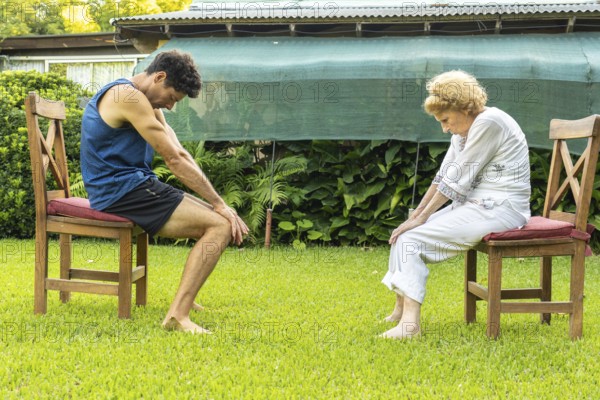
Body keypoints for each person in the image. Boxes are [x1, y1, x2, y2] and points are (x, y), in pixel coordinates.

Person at [81, 49, 249, 334]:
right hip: (119, 191)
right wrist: (221, 205)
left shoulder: (147, 102)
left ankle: (186, 299)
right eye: (172, 97)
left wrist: (217, 204)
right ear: (159, 77)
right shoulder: (127, 97)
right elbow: (172, 160)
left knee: (214, 217)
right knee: (220, 226)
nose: (171, 106)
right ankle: (177, 317)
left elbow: (180, 152)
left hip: (131, 185)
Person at [380, 70, 531, 339]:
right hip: (479, 206)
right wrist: (417, 215)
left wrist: (421, 219)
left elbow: (458, 178)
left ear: (464, 107)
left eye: (446, 120)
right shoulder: (462, 134)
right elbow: (443, 177)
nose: (444, 127)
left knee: (411, 239)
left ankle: (410, 325)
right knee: (405, 234)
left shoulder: (490, 122)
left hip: (501, 209)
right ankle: (402, 307)